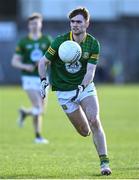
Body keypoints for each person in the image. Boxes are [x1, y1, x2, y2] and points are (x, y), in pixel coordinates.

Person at [38, 7, 112, 175]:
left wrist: (82, 87)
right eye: (72, 22)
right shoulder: (59, 41)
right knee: (85, 131)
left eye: (78, 21)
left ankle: (104, 163)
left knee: (94, 120)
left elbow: (90, 72)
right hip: (64, 92)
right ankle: (86, 131)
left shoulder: (93, 44)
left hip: (84, 88)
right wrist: (43, 81)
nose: (75, 25)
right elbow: (43, 63)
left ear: (87, 23)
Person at [12, 12, 52, 144]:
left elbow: (53, 58)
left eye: (36, 23)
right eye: (32, 23)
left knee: (41, 111)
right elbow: (14, 61)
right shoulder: (24, 42)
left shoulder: (47, 40)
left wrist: (45, 62)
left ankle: (26, 115)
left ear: (41, 24)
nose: (34, 26)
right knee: (38, 107)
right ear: (29, 25)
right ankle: (39, 136)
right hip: (29, 78)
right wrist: (26, 66)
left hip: (42, 78)